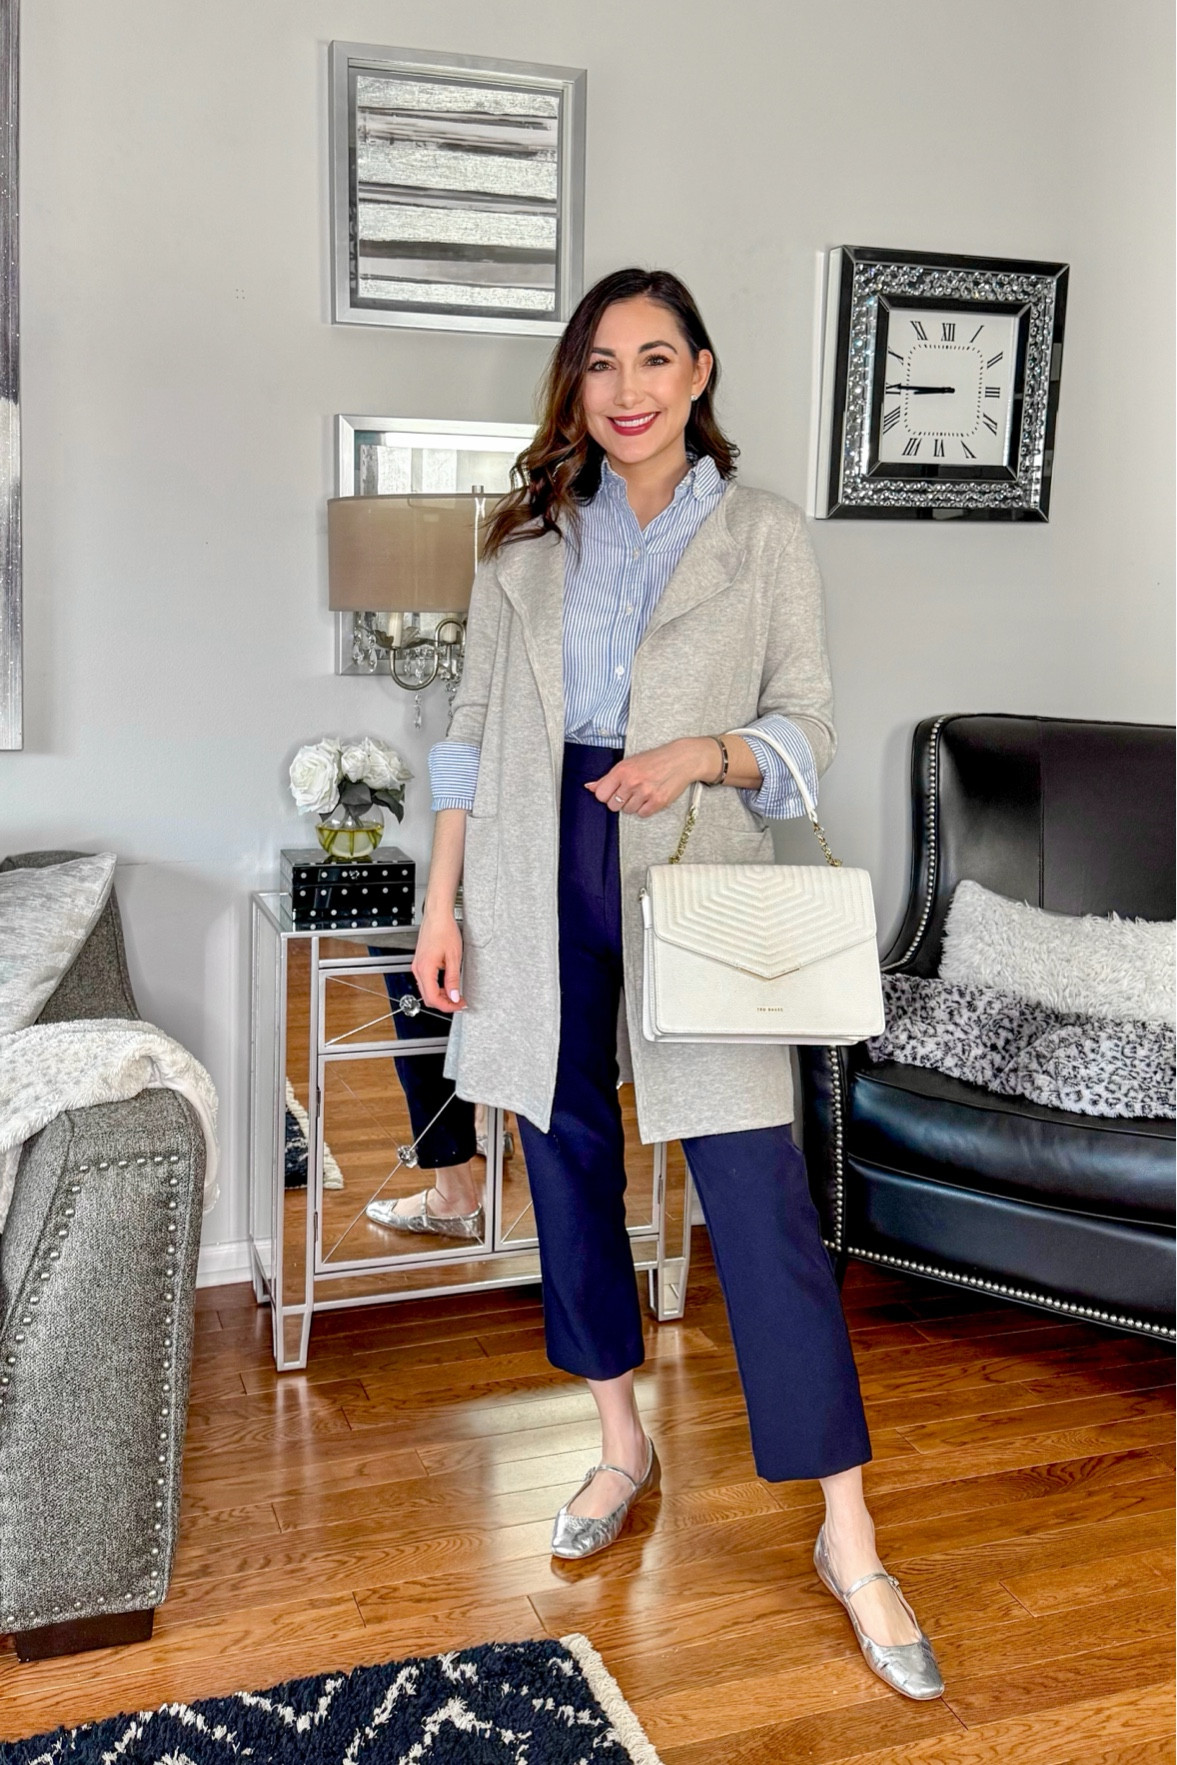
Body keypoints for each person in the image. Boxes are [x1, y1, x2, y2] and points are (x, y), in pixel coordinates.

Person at [411, 267, 944, 1702]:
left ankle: (849, 1531)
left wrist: (704, 754)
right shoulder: (522, 538)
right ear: (575, 385)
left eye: (655, 358)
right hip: (534, 867)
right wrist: (439, 902)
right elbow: (464, 728)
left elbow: (807, 727)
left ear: (700, 372)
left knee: (754, 1196)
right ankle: (618, 1440)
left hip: (684, 870)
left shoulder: (763, 534)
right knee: (564, 1159)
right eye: (600, 363)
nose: (627, 388)